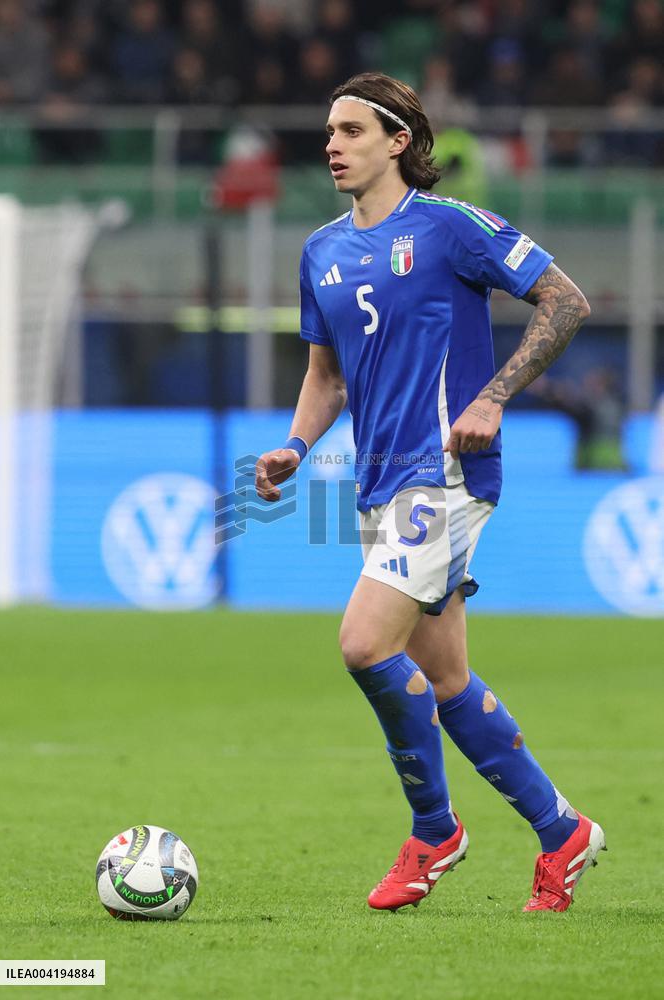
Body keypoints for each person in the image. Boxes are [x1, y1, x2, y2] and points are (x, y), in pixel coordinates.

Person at [255, 72, 605, 914]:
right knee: (444, 679)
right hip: (378, 481)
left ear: (398, 141)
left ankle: (434, 830)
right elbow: (327, 375)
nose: (332, 145)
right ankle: (562, 831)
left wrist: (493, 397)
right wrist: (296, 445)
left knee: (363, 644)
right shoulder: (321, 252)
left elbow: (566, 301)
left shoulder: (452, 229)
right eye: (328, 132)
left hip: (444, 474)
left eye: (350, 130)